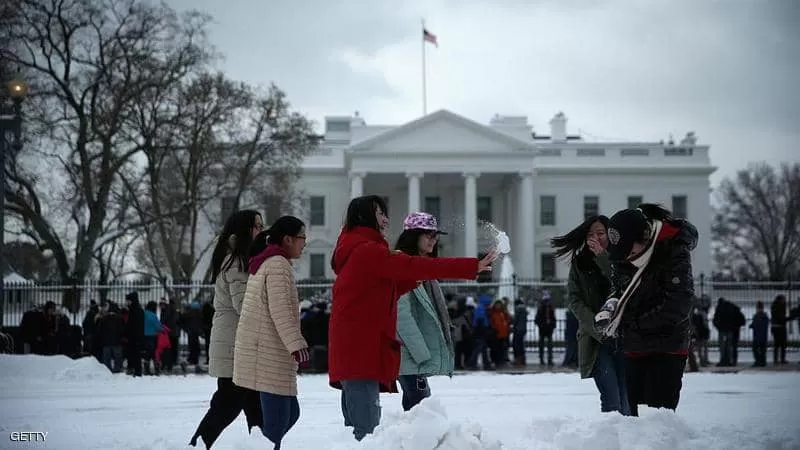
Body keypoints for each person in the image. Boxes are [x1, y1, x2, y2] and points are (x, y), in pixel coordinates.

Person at [328, 195, 496, 441]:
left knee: (361, 429)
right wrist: (470, 266)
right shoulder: (367, 250)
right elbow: (408, 272)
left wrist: (412, 279)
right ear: (365, 216)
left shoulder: (360, 248)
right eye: (380, 213)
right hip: (361, 351)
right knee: (366, 432)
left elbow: (385, 291)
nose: (386, 219)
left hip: (359, 349)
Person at [597, 204, 697, 416]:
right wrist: (611, 305)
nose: (626, 257)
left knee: (657, 417)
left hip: (666, 346)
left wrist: (632, 324)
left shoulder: (672, 250)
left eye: (630, 250)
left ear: (644, 236)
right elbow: (619, 287)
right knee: (633, 417)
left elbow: (677, 306)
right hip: (634, 346)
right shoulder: (626, 256)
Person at [233, 216, 310, 450]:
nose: (305, 243)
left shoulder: (270, 261)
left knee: (290, 414)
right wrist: (297, 344)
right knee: (276, 426)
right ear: (288, 239)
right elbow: (281, 310)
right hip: (268, 354)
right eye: (302, 238)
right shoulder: (277, 264)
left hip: (267, 350)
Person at [190, 210, 264, 449]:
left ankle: (261, 443)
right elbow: (245, 305)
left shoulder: (236, 257)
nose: (261, 231)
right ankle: (198, 444)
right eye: (257, 226)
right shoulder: (237, 261)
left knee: (254, 403)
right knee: (228, 403)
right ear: (245, 229)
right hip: (235, 343)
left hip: (238, 339)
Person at [551, 215, 630, 415]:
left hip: (624, 337)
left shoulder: (622, 258)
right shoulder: (580, 263)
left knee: (627, 399)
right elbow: (575, 300)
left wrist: (603, 257)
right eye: (590, 234)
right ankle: (612, 441)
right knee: (611, 398)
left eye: (601, 233)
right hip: (596, 341)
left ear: (610, 235)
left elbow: (624, 284)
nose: (595, 237)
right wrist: (594, 324)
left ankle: (629, 441)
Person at [393, 212, 458, 411]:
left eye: (435, 236)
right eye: (428, 235)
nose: (434, 240)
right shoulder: (403, 265)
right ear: (413, 236)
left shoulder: (425, 269)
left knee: (419, 403)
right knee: (420, 405)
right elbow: (401, 316)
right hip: (409, 353)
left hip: (415, 353)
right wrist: (422, 354)